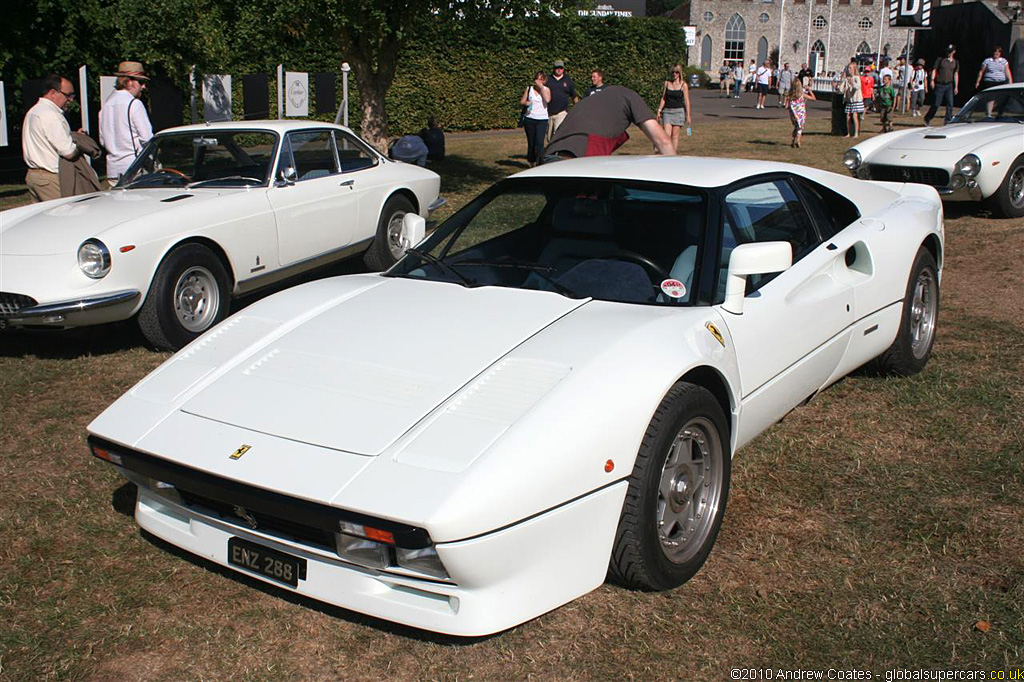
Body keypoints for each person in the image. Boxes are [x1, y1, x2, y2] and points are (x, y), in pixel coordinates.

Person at [543, 85, 674, 161]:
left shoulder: (591, 102)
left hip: (548, 156)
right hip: (576, 159)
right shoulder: (630, 97)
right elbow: (663, 141)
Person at [21, 73, 79, 203]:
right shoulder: (51, 115)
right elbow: (68, 152)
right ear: (53, 93)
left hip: (34, 175)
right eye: (68, 95)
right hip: (50, 177)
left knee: (44, 220)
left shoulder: (34, 111)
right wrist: (79, 143)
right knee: (63, 218)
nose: (70, 100)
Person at [99, 61, 154, 185]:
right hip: (134, 169)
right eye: (141, 82)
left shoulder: (106, 105)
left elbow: (103, 140)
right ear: (129, 82)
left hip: (113, 169)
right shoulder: (134, 104)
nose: (143, 87)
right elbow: (147, 138)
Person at [656, 65, 691, 153]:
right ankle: (666, 153)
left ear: (679, 74)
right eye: (673, 72)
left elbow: (686, 101)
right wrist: (659, 110)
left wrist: (688, 115)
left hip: (679, 112)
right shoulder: (667, 83)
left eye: (676, 72)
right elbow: (663, 98)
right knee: (667, 135)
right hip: (667, 111)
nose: (674, 74)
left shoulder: (684, 85)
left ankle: (673, 155)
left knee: (675, 136)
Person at [521, 71, 550, 166]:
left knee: (539, 142)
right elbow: (522, 101)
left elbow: (547, 100)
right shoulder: (529, 89)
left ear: (544, 81)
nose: (539, 81)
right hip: (530, 118)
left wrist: (541, 88)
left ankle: (541, 163)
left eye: (542, 79)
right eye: (538, 79)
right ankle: (531, 162)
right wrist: (526, 103)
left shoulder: (546, 89)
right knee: (531, 142)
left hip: (542, 119)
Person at [924, 45, 959, 126]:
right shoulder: (940, 60)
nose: (948, 53)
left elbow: (956, 74)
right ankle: (928, 118)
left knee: (950, 104)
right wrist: (932, 80)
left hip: (949, 85)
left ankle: (948, 121)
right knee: (936, 104)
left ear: (954, 52)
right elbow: (934, 70)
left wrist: (956, 86)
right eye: (948, 51)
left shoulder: (955, 62)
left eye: (950, 51)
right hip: (940, 84)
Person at [545, 59, 577, 145]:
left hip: (562, 112)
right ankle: (551, 153)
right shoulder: (547, 79)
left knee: (557, 133)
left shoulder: (568, 80)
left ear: (563, 69)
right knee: (549, 137)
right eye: (557, 68)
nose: (559, 69)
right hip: (549, 113)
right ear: (554, 68)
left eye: (561, 68)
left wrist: (577, 108)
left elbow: (574, 95)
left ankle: (558, 153)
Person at [976, 46, 1013, 116]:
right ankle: (988, 114)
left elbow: (1007, 70)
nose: (996, 53)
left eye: (998, 52)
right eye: (995, 51)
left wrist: (1010, 80)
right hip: (990, 82)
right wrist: (978, 81)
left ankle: (999, 113)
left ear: (1000, 53)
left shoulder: (1004, 61)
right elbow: (981, 71)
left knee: (1001, 98)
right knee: (991, 98)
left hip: (1001, 82)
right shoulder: (987, 61)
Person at [788, 79, 816, 148]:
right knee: (800, 128)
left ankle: (793, 140)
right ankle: (798, 140)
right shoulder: (802, 95)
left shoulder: (791, 95)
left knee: (796, 127)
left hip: (793, 113)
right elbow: (813, 98)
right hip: (801, 113)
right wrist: (809, 90)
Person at [840, 70, 864, 138]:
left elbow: (858, 87)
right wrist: (837, 86)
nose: (849, 70)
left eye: (851, 68)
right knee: (848, 117)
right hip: (849, 100)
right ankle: (848, 133)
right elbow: (841, 89)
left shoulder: (857, 77)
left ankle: (856, 133)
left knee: (854, 116)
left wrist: (852, 83)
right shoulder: (846, 79)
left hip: (856, 100)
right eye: (849, 68)